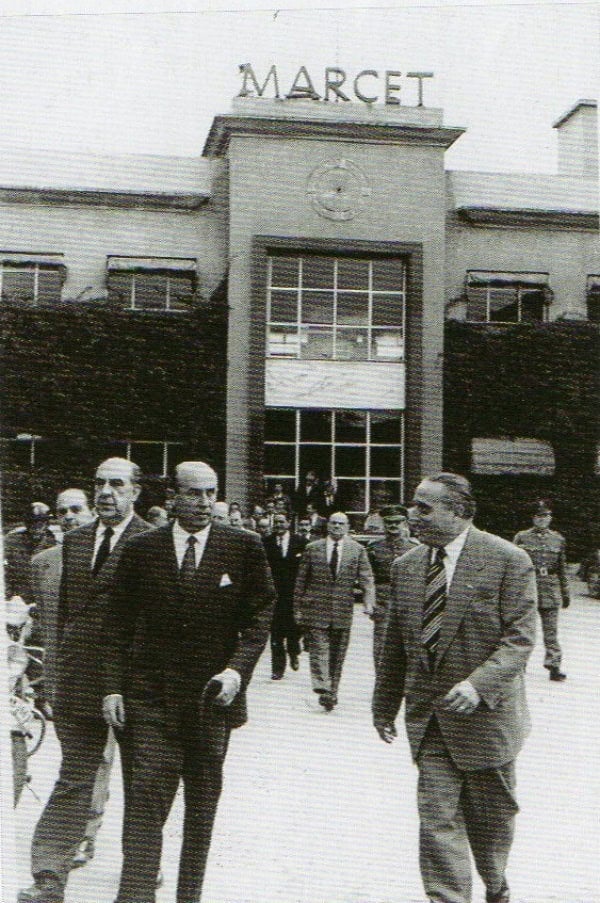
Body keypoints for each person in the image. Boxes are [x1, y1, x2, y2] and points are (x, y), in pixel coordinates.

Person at [102, 461, 275, 903]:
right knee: (145, 803)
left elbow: (260, 616)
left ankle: (189, 897)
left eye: (210, 493)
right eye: (193, 494)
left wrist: (237, 670)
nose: (203, 503)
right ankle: (135, 896)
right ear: (173, 497)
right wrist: (113, 687)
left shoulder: (243, 546)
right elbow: (117, 622)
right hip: (149, 698)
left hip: (211, 700)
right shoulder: (143, 549)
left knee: (201, 809)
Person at [373, 473, 537, 903]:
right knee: (437, 820)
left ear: (459, 511)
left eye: (424, 508)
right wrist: (383, 704)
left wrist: (479, 685)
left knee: (491, 825)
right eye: (413, 505)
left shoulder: (508, 559)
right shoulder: (405, 567)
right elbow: (395, 643)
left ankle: (496, 884)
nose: (412, 515)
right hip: (430, 719)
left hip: (487, 719)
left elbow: (519, 639)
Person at [19, 459, 149, 903]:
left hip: (135, 686)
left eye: (117, 484)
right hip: (79, 684)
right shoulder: (74, 543)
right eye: (100, 484)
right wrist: (54, 681)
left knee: (142, 782)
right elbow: (66, 620)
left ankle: (141, 877)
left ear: (136, 492)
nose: (106, 492)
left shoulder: (152, 542)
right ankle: (49, 878)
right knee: (74, 778)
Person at [30, 488, 114, 868]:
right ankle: (72, 839)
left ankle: (88, 834)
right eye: (61, 511)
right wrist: (48, 679)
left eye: (76, 509)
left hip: (110, 678)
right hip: (67, 678)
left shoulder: (112, 556)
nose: (68, 516)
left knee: (105, 761)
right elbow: (48, 630)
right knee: (79, 762)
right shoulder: (43, 563)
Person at [294, 512, 375, 711]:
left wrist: (369, 602)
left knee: (337, 654)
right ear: (327, 525)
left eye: (341, 524)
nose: (337, 527)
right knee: (319, 649)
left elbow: (366, 578)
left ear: (347, 526)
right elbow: (301, 581)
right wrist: (297, 608)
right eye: (334, 523)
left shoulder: (357, 550)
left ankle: (332, 692)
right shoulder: (313, 548)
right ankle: (322, 685)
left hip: (342, 610)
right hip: (316, 608)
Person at [513, 500, 570, 681]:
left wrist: (565, 592)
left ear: (550, 518)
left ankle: (554, 665)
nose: (542, 520)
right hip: (527, 587)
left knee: (551, 631)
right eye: (539, 516)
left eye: (546, 516)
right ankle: (519, 665)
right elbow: (514, 565)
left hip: (550, 589)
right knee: (523, 629)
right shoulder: (521, 537)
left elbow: (562, 567)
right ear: (533, 518)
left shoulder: (558, 539)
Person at [367, 504, 420, 667]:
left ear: (404, 522)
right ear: (384, 523)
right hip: (383, 604)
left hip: (407, 604)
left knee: (409, 646)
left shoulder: (415, 548)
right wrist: (370, 602)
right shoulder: (374, 547)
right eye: (389, 522)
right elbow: (368, 578)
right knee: (381, 647)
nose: (393, 526)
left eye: (397, 522)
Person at [263, 511, 307, 679]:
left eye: (282, 522)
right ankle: (277, 668)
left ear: (289, 522)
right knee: (276, 632)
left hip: (294, 596)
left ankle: (294, 652)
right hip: (274, 596)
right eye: (276, 522)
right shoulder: (265, 542)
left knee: (294, 630)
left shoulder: (301, 542)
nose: (278, 525)